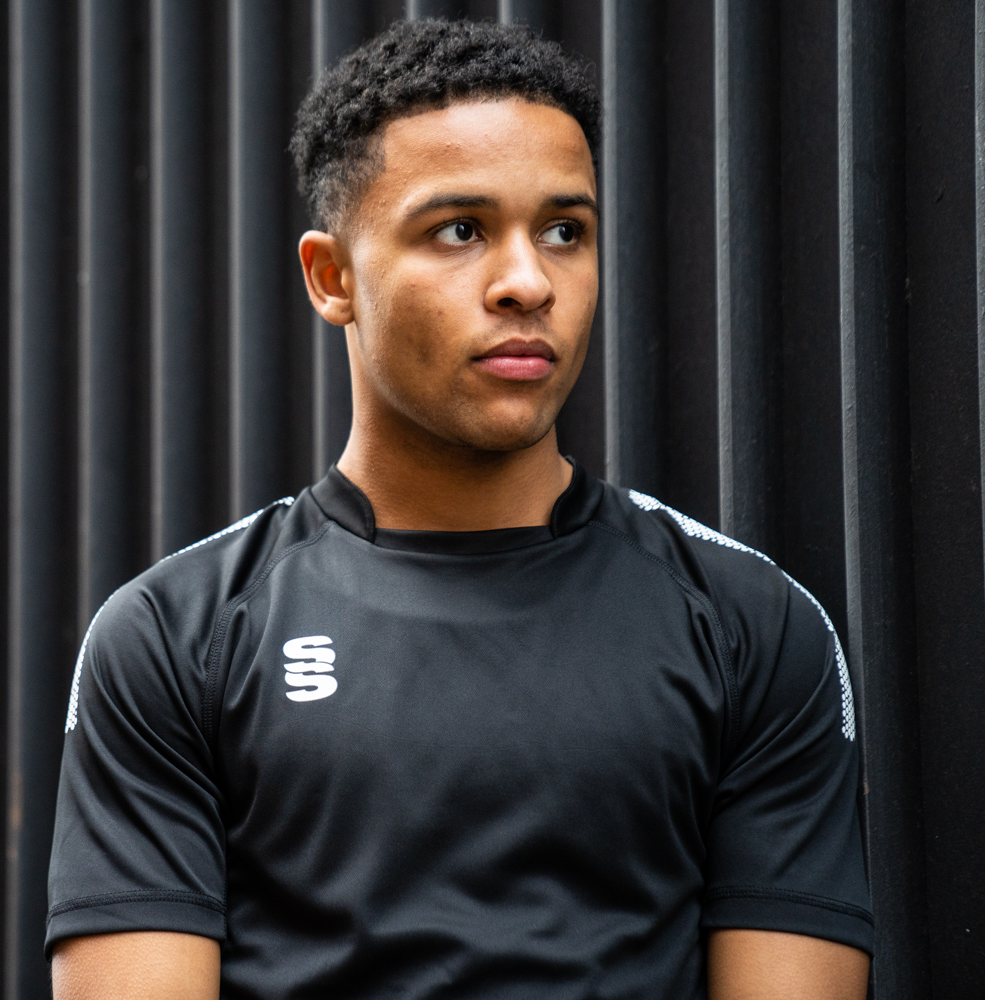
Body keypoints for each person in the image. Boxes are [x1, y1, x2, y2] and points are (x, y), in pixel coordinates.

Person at [46, 18, 872, 1000]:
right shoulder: (173, 638)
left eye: (564, 231)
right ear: (333, 277)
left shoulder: (751, 625)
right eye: (461, 230)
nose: (528, 283)